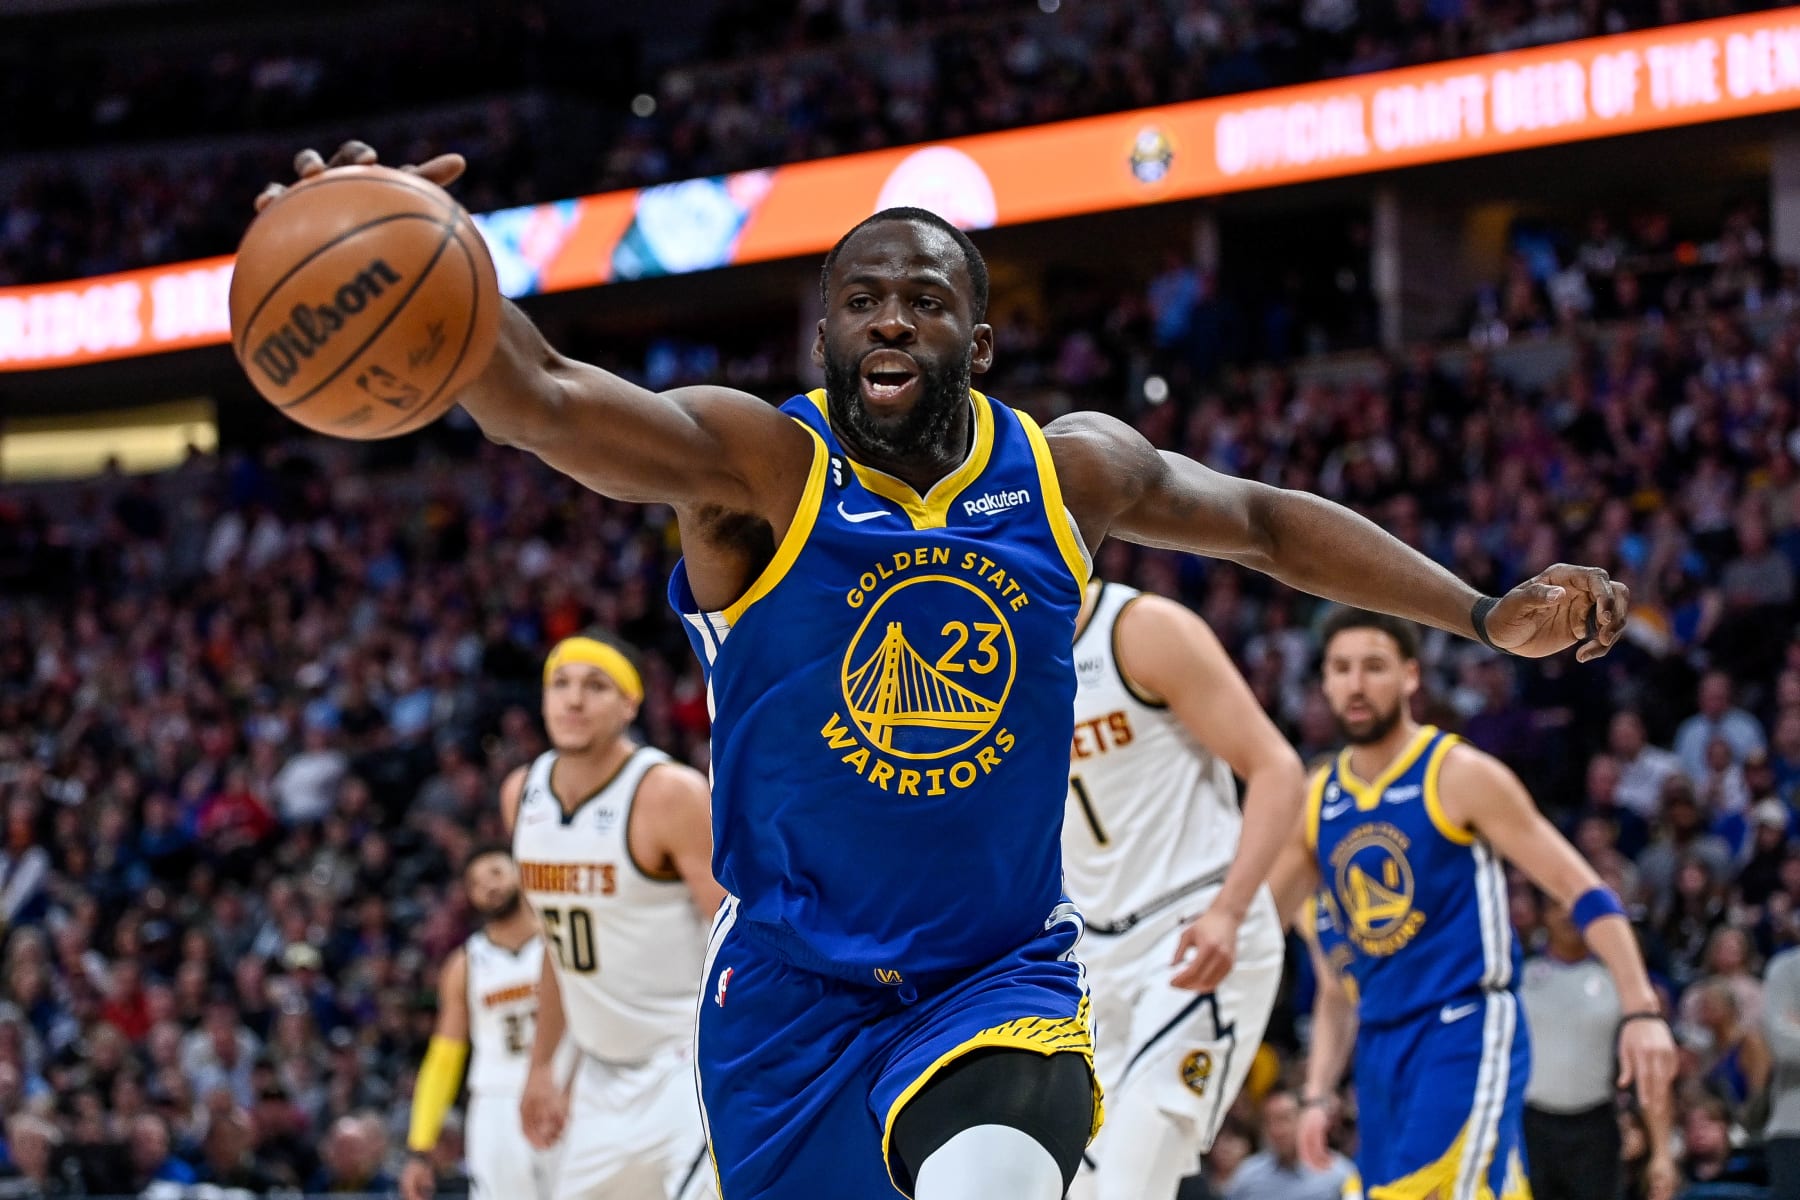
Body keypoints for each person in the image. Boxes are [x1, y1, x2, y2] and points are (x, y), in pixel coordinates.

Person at [256, 142, 1632, 1200]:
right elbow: (542, 401)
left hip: (998, 977)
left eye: (927, 300)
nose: (892, 320)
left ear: (980, 344)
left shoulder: (1062, 472)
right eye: (862, 301)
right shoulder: (759, 471)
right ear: (825, 340)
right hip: (789, 1003)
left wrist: (1480, 609)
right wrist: (421, 262)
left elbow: (1266, 525)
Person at [1269, 609, 1675, 1200]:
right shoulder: (1317, 798)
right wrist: (1318, 1092)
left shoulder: (1457, 774)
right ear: (1324, 684)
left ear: (1410, 677)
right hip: (1380, 1045)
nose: (1356, 684)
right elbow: (1334, 987)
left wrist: (1640, 1010)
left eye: (1374, 667)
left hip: (1464, 1023)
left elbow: (1583, 889)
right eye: (1341, 669)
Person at [1063, 580, 1304, 1200]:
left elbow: (1277, 769)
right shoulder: (988, 666)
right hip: (1090, 954)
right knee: (1071, 1187)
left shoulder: (1138, 630)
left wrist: (1230, 910)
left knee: (1131, 1180)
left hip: (1194, 925)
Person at [503, 632, 723, 1200]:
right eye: (561, 684)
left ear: (630, 704)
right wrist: (542, 1065)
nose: (573, 700)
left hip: (686, 1063)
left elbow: (734, 936)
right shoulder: (520, 794)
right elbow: (556, 946)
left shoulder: (667, 792)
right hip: (600, 1071)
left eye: (595, 686)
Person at [401, 845, 559, 1200]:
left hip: (561, 1087)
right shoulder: (465, 964)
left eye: (497, 873)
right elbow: (444, 1056)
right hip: (496, 1101)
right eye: (476, 882)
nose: (489, 886)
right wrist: (420, 1146)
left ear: (520, 873)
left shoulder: (559, 939)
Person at [1519, 901, 1678, 1200]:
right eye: (1556, 905)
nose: (1567, 914)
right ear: (1544, 916)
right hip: (1529, 1124)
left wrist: (1662, 1153)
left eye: (1574, 906)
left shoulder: (1620, 982)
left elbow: (1650, 1068)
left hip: (1595, 1128)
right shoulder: (1520, 976)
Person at [1222, 1090, 1352, 1200]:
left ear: (1303, 1119)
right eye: (1269, 1122)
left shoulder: (1339, 1174)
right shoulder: (1247, 1176)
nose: (1276, 1130)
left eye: (1284, 1119)